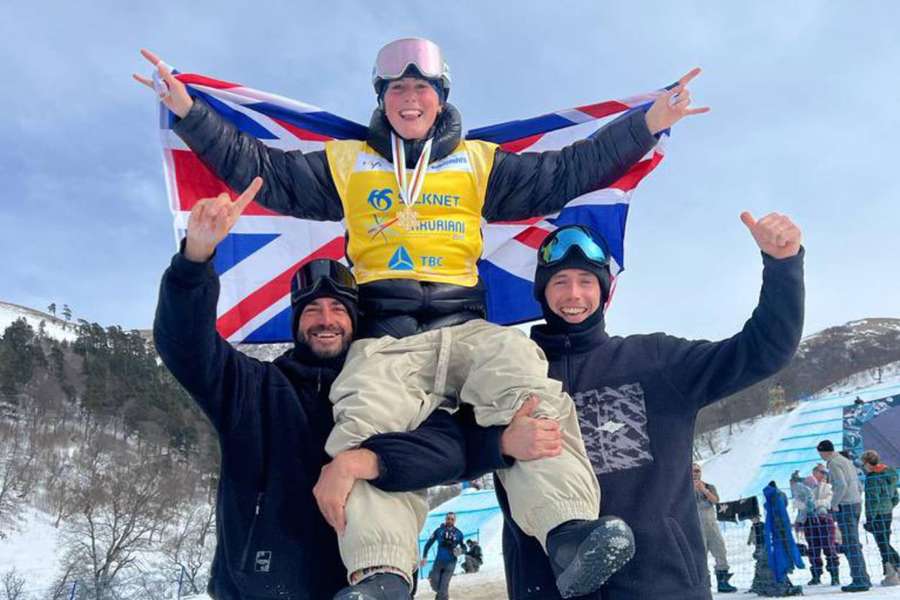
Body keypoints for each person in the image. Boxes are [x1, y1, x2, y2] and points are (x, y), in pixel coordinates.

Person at [136, 38, 709, 599]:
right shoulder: (349, 162)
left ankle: (567, 533)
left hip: (465, 325)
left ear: (441, 95)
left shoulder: (478, 164)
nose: (410, 99)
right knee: (364, 427)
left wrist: (647, 123)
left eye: (422, 88)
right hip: (386, 337)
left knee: (526, 382)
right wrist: (189, 113)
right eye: (397, 89)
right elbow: (262, 167)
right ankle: (381, 572)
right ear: (381, 97)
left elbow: (567, 171)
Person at [152, 180, 521, 599]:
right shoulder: (253, 388)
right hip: (260, 588)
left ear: (354, 322)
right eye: (312, 310)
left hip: (365, 586)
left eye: (337, 310)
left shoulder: (391, 387)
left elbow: (451, 451)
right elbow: (182, 344)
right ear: (296, 324)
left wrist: (369, 460)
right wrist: (195, 259)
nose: (325, 319)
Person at [496, 211, 805, 600]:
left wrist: (783, 265)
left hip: (662, 585)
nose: (573, 295)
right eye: (560, 282)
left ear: (605, 292)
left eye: (586, 281)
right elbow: (453, 448)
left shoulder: (654, 360)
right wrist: (500, 444)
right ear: (542, 292)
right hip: (547, 589)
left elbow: (765, 350)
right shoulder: (510, 375)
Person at [817, 439, 872, 592]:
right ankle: (863, 577)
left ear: (824, 451)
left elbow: (841, 485)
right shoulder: (846, 460)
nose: (821, 456)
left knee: (850, 544)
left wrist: (833, 504)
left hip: (846, 505)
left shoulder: (834, 463)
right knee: (853, 542)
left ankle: (859, 580)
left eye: (820, 453)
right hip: (855, 503)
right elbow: (858, 484)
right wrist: (857, 497)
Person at [747, 484, 803, 597]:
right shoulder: (777, 503)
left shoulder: (773, 504)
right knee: (774, 561)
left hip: (773, 539)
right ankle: (776, 586)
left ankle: (771, 586)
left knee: (768, 561)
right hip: (776, 538)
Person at [693, 463, 737, 592]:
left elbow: (716, 501)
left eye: (697, 471)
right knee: (700, 555)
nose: (695, 473)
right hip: (695, 527)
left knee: (720, 551)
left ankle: (723, 582)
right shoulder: (684, 488)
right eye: (692, 471)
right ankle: (704, 584)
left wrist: (704, 490)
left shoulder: (709, 486)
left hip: (711, 525)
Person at [794, 465, 840, 586]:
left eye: (825, 473)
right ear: (814, 472)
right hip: (809, 522)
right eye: (821, 472)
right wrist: (807, 506)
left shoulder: (827, 487)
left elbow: (827, 502)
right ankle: (816, 575)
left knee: (829, 547)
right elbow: (798, 503)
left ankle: (834, 575)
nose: (823, 475)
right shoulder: (803, 487)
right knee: (813, 549)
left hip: (824, 520)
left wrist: (810, 504)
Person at [861, 449, 900, 586]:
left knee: (882, 544)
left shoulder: (872, 477)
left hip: (877, 514)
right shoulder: (889, 473)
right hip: (887, 512)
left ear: (867, 463)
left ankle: (892, 574)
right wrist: (889, 506)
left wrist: (870, 518)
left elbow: (873, 500)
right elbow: (896, 496)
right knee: (885, 541)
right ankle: (896, 569)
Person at [421, 513, 465, 600]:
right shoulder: (438, 531)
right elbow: (428, 544)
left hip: (451, 563)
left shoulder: (459, 533)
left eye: (452, 519)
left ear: (455, 521)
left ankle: (442, 596)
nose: (450, 521)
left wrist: (461, 551)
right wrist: (425, 557)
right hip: (438, 562)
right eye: (448, 519)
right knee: (435, 585)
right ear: (445, 519)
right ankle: (433, 578)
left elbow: (464, 547)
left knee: (444, 586)